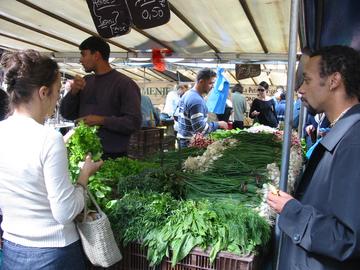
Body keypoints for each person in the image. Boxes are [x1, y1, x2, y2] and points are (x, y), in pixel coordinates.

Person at [0, 50, 103, 270]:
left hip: (13, 250)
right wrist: (84, 176)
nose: (57, 100)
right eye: (57, 92)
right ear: (43, 92)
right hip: (53, 255)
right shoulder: (48, 139)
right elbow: (65, 212)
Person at [267, 45, 360, 269]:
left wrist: (291, 209)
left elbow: (347, 240)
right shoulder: (346, 133)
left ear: (333, 80)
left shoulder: (354, 142)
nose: (300, 89)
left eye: (307, 80)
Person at [60, 36, 142, 160]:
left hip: (113, 159)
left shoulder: (125, 84)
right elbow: (66, 114)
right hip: (82, 155)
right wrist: (73, 92)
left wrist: (102, 120)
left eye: (83, 55)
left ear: (96, 55)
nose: (80, 60)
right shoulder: (85, 82)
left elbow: (133, 123)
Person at [177, 68, 228, 148]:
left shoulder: (188, 94)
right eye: (210, 83)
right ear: (201, 82)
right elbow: (200, 129)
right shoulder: (196, 100)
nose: (212, 86)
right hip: (190, 143)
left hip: (183, 140)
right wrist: (218, 124)